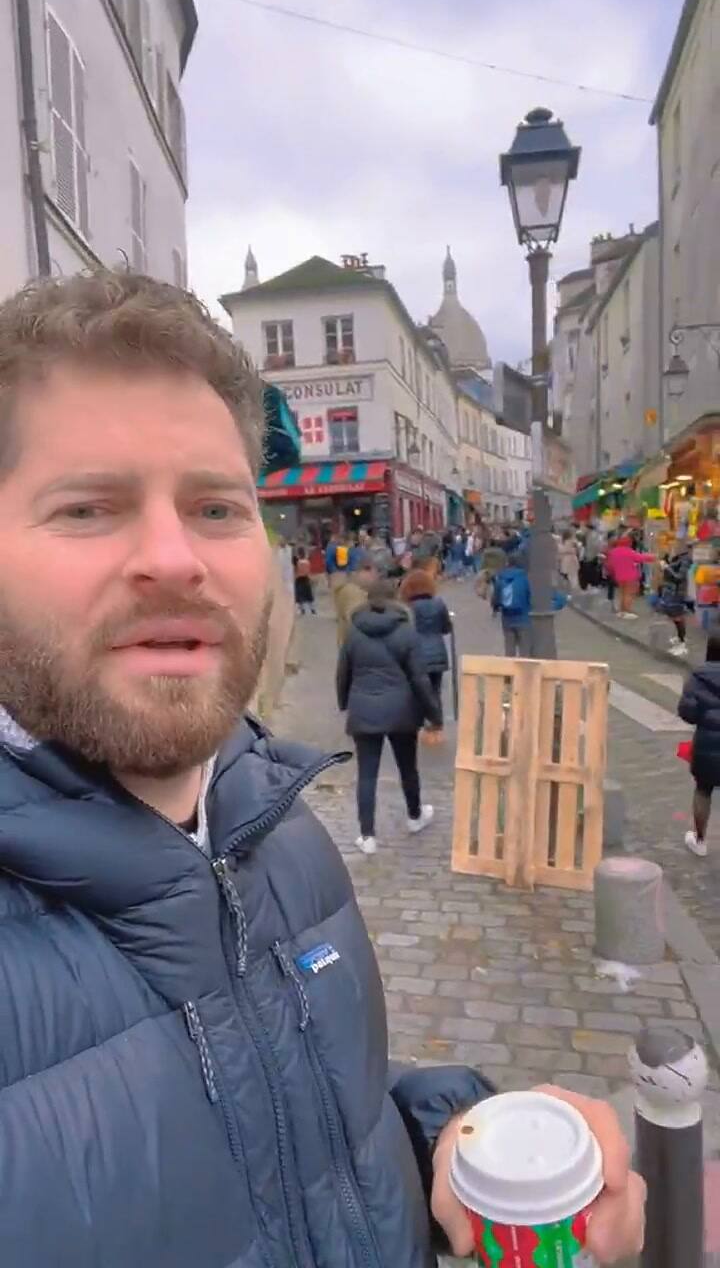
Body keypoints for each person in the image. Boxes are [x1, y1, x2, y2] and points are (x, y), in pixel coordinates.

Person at [0, 269, 644, 1267]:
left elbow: (294, 1139)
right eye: (88, 508)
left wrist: (450, 1143)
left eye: (217, 507)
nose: (176, 557)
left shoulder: (282, 830)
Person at [337, 579, 440, 853]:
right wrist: (434, 714)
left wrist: (344, 702)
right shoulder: (406, 631)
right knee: (408, 767)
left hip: (364, 707)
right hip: (402, 709)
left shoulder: (354, 631)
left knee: (367, 774)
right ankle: (415, 816)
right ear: (395, 599)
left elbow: (343, 672)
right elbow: (420, 678)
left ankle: (367, 835)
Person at [678, 634, 720, 856]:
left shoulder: (699, 676)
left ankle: (700, 840)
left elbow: (687, 712)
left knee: (703, 789)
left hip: (707, 741)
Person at [399, 567, 452, 737]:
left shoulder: (407, 608)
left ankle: (420, 722)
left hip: (416, 655)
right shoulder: (439, 603)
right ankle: (437, 724)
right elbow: (446, 628)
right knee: (435, 689)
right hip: (438, 652)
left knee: (418, 690)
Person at [605, 532, 655, 617]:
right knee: (629, 594)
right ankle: (627, 611)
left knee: (622, 593)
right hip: (631, 576)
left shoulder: (613, 552)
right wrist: (653, 557)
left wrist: (612, 572)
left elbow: (609, 565)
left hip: (619, 576)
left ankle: (622, 610)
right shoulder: (629, 552)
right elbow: (640, 558)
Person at [492, 552, 532, 656]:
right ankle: (523, 670)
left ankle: (510, 669)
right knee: (525, 649)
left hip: (507, 618)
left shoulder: (501, 578)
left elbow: (496, 598)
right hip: (523, 617)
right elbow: (529, 595)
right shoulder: (524, 578)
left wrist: (495, 609)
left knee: (509, 648)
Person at [657, 542, 692, 657]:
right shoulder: (677, 557)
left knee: (677, 617)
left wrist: (667, 567)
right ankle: (679, 638)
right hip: (670, 591)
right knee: (673, 616)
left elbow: (679, 577)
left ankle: (682, 644)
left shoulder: (685, 560)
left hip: (677, 592)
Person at [334, 556, 376, 646]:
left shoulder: (354, 589)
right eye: (374, 574)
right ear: (365, 571)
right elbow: (357, 621)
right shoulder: (353, 592)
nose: (375, 579)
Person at [293, 544, 316, 614]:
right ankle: (312, 609)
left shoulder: (297, 562)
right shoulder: (307, 561)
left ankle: (302, 609)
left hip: (299, 579)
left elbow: (295, 570)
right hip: (306, 579)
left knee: (300, 596)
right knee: (308, 595)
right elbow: (308, 571)